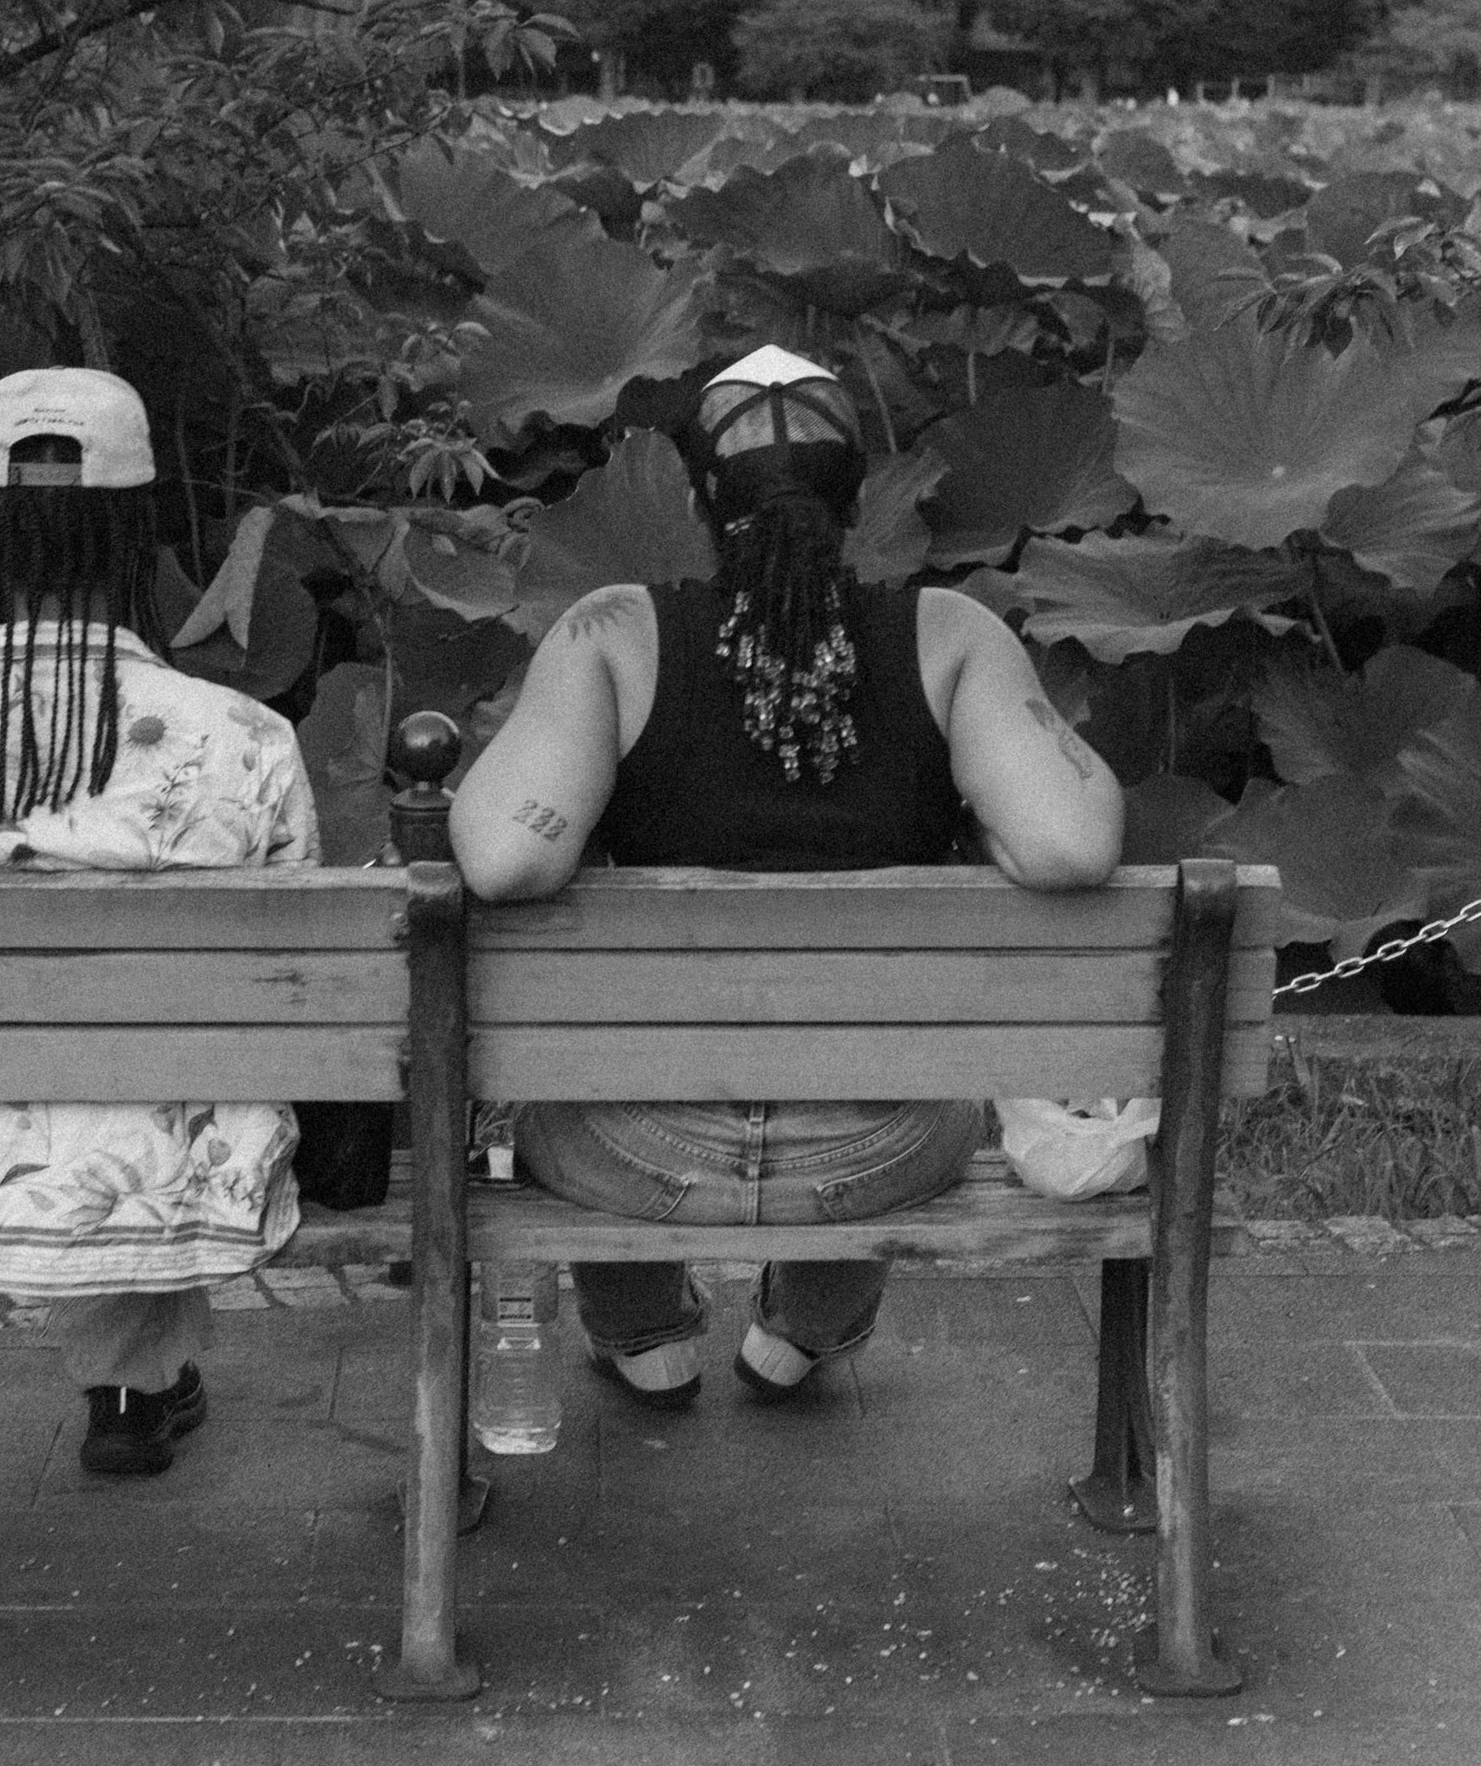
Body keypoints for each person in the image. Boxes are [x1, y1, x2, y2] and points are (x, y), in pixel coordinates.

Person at [447, 345, 1126, 1405]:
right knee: (897, 1064)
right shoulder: (948, 637)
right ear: (856, 500)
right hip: (880, 1148)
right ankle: (804, 1331)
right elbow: (1073, 845)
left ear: (703, 503)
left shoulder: (615, 636)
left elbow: (503, 855)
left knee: (572, 1076)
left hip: (634, 1151)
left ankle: (644, 1335)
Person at [0, 365, 318, 1477]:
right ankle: (132, 1375)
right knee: (164, 1092)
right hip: (192, 1177)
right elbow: (300, 997)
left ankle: (130, 1380)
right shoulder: (245, 738)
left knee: (95, 1100)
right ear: (134, 538)